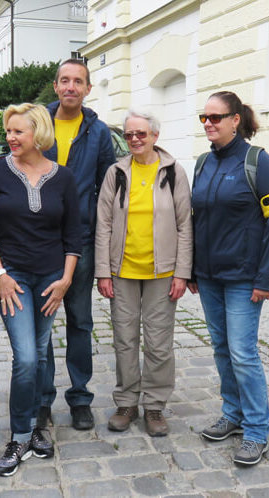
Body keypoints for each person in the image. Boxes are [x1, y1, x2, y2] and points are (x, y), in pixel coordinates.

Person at [0, 103, 81, 476]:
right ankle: (20, 434)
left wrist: (66, 279)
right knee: (25, 357)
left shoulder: (63, 177)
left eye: (18, 132)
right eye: (8, 132)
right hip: (13, 278)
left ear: (38, 133)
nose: (10, 138)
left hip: (51, 279)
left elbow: (73, 234)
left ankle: (36, 426)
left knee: (38, 355)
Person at [189, 91, 269, 466]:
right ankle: (233, 414)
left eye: (216, 117)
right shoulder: (202, 163)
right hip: (210, 276)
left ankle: (257, 431)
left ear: (235, 120)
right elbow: (197, 220)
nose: (209, 123)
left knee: (244, 353)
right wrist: (195, 268)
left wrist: (266, 276)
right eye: (204, 117)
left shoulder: (257, 162)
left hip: (245, 277)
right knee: (221, 348)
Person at [94, 109, 192, 437]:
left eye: (142, 134)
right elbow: (103, 223)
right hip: (121, 271)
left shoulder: (173, 172)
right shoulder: (117, 172)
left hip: (162, 272)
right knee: (124, 339)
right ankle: (126, 402)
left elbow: (184, 225)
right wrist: (103, 271)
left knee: (159, 343)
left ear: (155, 136)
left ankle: (154, 406)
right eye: (130, 134)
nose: (135, 139)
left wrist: (182, 272)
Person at [39, 58, 117, 430]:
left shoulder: (98, 131)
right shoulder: (39, 123)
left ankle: (80, 398)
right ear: (55, 86)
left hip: (81, 240)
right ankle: (42, 400)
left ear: (87, 89)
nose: (71, 87)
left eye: (78, 81)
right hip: (41, 241)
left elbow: (107, 187)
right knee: (42, 323)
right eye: (64, 80)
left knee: (80, 322)